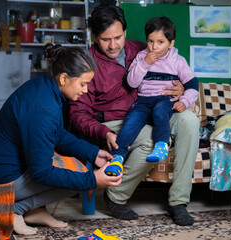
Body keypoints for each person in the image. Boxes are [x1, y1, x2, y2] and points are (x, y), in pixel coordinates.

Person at [0, 44, 122, 240]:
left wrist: (93, 152)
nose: (86, 90)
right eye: (83, 84)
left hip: (0, 171)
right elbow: (41, 172)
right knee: (80, 178)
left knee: (78, 169)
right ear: (63, 78)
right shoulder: (43, 110)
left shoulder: (45, 86)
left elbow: (58, 134)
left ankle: (31, 211)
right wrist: (93, 180)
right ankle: (15, 210)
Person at [69, 4, 200, 226]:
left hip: (157, 110)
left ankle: (179, 201)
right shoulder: (85, 63)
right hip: (117, 120)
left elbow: (180, 75)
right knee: (153, 141)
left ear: (125, 32)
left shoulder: (145, 48)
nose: (113, 45)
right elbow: (77, 113)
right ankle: (116, 196)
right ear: (94, 37)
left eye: (118, 37)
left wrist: (181, 91)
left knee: (190, 121)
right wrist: (104, 132)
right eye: (105, 39)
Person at [104, 16, 199, 176]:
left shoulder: (178, 61)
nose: (154, 47)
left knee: (160, 111)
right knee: (130, 122)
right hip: (143, 101)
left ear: (171, 43)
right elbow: (132, 83)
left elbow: (192, 85)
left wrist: (185, 101)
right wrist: (144, 63)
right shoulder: (142, 57)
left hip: (164, 99)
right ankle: (117, 158)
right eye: (150, 41)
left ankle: (161, 144)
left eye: (160, 42)